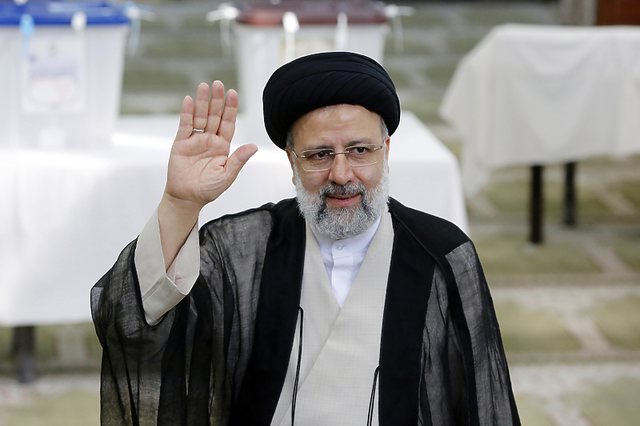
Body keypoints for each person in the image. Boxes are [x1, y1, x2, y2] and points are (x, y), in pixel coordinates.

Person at [91, 51, 520, 425]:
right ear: (292, 163)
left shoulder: (441, 254)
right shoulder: (245, 249)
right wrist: (180, 203)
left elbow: (484, 404)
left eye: (359, 150)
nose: (341, 174)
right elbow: (134, 322)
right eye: (319, 155)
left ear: (386, 151)